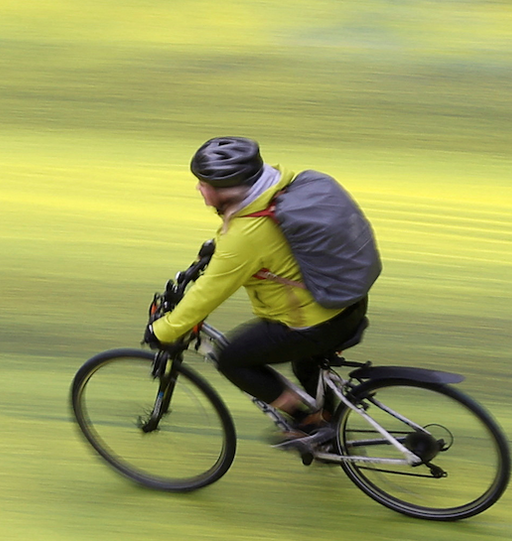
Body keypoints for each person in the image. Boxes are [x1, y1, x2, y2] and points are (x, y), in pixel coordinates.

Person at [144, 136, 369, 447]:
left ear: (227, 189)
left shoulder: (247, 235)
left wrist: (163, 331)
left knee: (233, 359)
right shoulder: (279, 186)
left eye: (204, 183)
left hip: (312, 322)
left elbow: (208, 293)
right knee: (307, 365)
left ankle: (307, 423)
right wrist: (215, 249)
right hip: (348, 302)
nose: (199, 188)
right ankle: (331, 425)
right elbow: (247, 238)